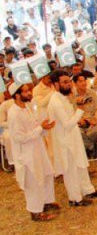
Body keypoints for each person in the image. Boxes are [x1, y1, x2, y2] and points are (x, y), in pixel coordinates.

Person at [47, 70, 97, 206]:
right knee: (71, 170)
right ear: (55, 84)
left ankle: (88, 190)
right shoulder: (55, 102)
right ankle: (75, 199)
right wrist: (80, 109)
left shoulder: (63, 98)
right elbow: (67, 124)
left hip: (73, 138)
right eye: (64, 82)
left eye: (68, 82)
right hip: (65, 142)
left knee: (80, 165)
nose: (68, 85)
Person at [7, 83, 59, 221]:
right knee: (34, 182)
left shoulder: (26, 108)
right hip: (26, 154)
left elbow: (34, 126)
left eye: (29, 90)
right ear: (17, 95)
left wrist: (44, 127)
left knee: (47, 174)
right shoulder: (14, 113)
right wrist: (39, 129)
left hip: (38, 148)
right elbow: (20, 137)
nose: (30, 93)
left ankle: (46, 202)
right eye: (26, 92)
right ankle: (35, 212)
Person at [73, 73, 97, 158]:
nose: (83, 83)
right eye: (80, 81)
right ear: (75, 83)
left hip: (92, 119)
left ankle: (87, 148)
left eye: (84, 81)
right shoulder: (71, 96)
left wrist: (96, 118)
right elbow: (72, 112)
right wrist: (80, 120)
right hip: (79, 120)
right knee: (78, 132)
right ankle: (91, 147)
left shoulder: (92, 93)